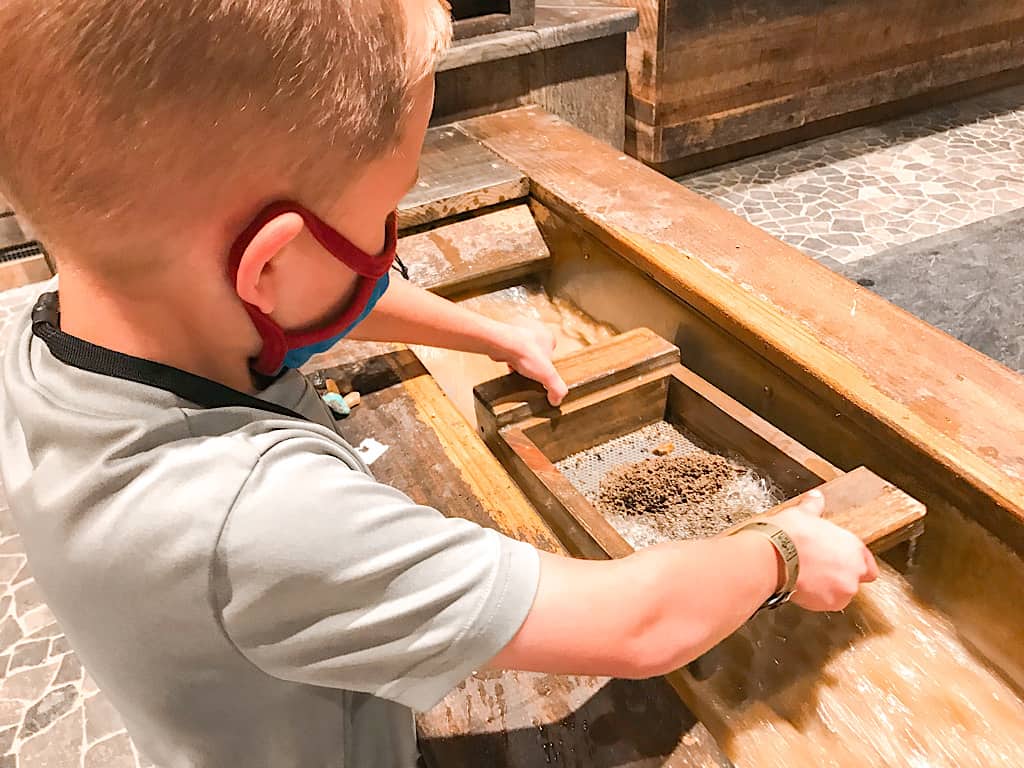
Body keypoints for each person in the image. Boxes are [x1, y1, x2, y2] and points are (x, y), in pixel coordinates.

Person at [0, 1, 877, 766]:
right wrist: (784, 554)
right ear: (268, 267)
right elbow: (633, 625)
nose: (387, 238)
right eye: (386, 209)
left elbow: (314, 293)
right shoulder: (255, 523)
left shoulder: (63, 317)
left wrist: (487, 331)